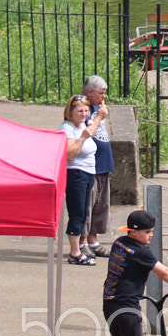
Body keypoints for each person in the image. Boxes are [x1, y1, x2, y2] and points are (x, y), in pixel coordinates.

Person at [61, 95, 107, 263]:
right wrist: (82, 137)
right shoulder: (67, 129)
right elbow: (70, 154)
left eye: (86, 111)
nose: (83, 114)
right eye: (79, 110)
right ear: (70, 111)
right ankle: (75, 253)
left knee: (83, 212)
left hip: (88, 173)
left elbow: (91, 131)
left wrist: (99, 116)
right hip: (76, 174)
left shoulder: (82, 125)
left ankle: (77, 251)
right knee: (77, 213)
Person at [80, 76, 114, 259]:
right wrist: (100, 117)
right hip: (89, 166)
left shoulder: (98, 108)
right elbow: (88, 132)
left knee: (101, 204)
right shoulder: (83, 109)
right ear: (89, 93)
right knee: (88, 205)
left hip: (103, 163)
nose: (103, 97)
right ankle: (83, 241)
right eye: (100, 93)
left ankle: (94, 241)